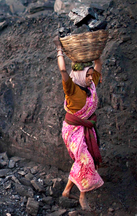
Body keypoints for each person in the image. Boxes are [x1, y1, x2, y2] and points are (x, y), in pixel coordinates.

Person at [53, 36, 104, 211]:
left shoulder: (90, 86)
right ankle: (83, 195)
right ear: (81, 75)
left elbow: (98, 64)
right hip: (73, 129)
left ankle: (66, 192)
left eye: (91, 75)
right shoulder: (72, 88)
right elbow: (63, 72)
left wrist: (96, 50)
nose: (91, 77)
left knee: (81, 161)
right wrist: (59, 49)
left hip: (86, 128)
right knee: (85, 161)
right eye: (88, 75)